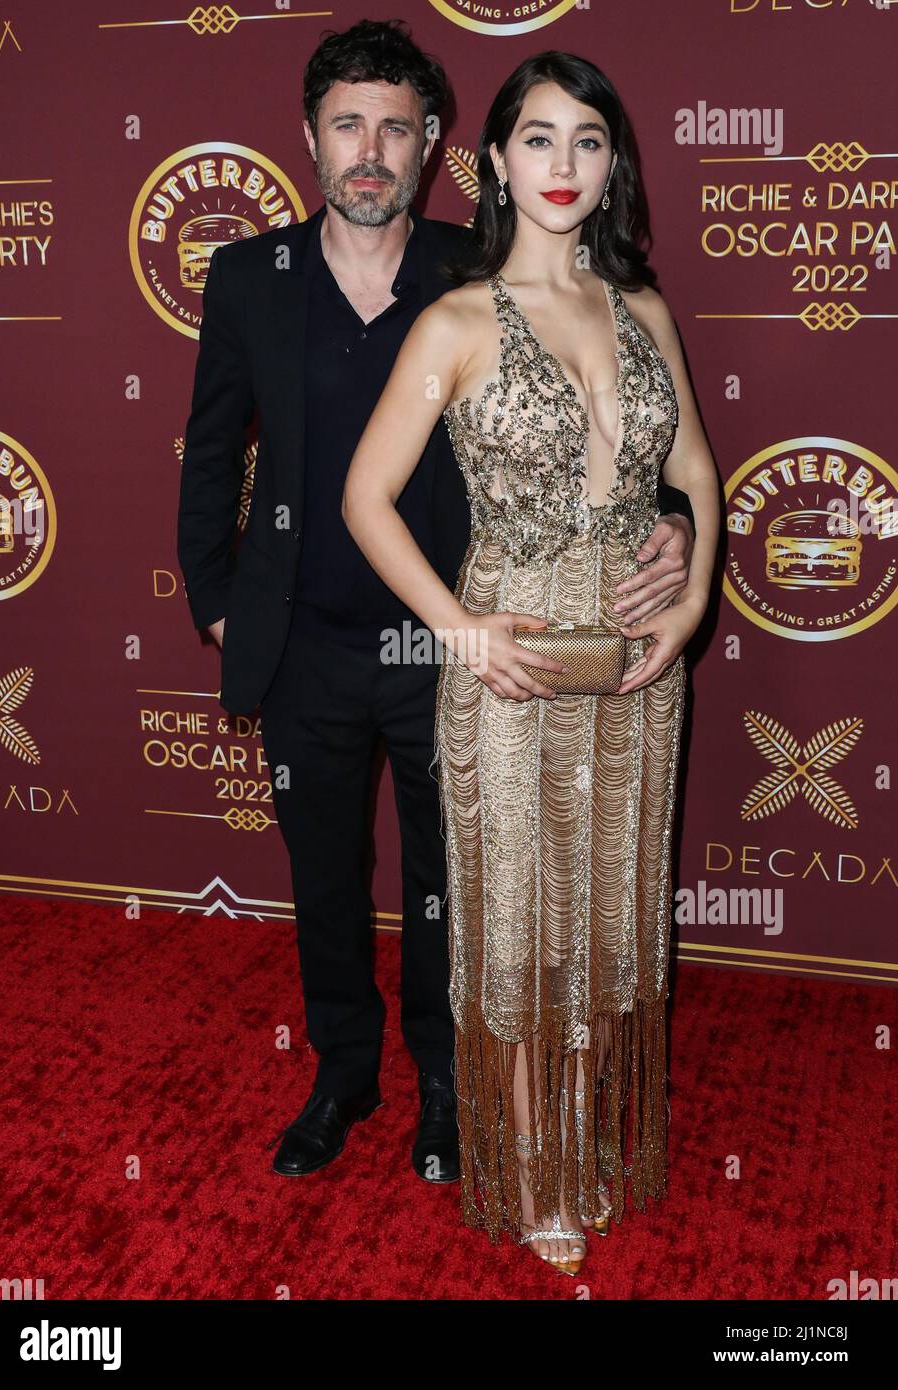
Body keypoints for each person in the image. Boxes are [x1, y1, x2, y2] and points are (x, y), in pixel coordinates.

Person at [176, 22, 696, 1200]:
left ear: (433, 148)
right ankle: (340, 1075)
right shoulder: (247, 278)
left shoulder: (480, 265)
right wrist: (218, 603)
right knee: (322, 877)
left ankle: (449, 1092)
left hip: (457, 642)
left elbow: (600, 428)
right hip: (302, 639)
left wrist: (667, 523)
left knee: (456, 889)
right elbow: (210, 452)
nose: (370, 150)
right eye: (348, 125)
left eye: (395, 127)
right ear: (311, 140)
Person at [342, 50, 719, 1274]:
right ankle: (534, 1165)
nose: (563, 166)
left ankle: (587, 1136)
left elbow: (698, 480)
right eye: (539, 139)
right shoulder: (452, 319)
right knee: (516, 927)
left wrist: (694, 582)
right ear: (495, 162)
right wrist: (455, 628)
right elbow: (365, 496)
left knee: (611, 915)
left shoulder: (645, 308)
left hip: (637, 659)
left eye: (588, 141)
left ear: (614, 167)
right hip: (509, 658)